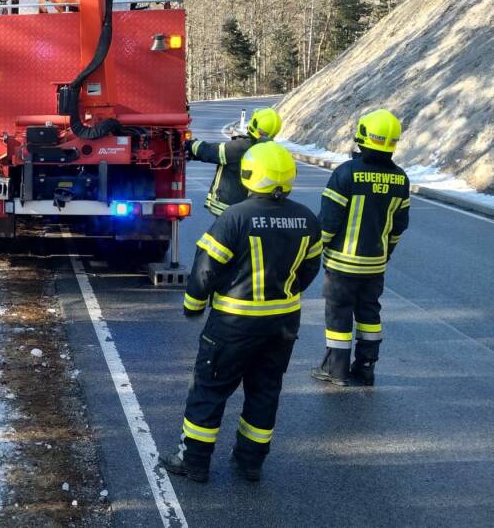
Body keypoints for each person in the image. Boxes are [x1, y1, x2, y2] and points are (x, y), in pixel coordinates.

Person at [160, 142, 322, 483]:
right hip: (282, 324)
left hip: (233, 324)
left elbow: (205, 269)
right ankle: (250, 463)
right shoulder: (307, 219)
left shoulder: (235, 216)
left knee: (209, 389)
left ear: (250, 175)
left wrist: (193, 304)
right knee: (264, 391)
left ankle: (194, 461)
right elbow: (309, 270)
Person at [311, 109, 410, 387]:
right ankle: (366, 369)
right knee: (369, 315)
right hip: (375, 264)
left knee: (339, 314)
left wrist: (315, 250)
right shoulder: (401, 179)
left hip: (342, 264)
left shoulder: (346, 173)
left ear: (362, 137)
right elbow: (398, 227)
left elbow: (328, 223)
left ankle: (337, 371)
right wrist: (384, 254)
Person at [188, 107, 283, 217]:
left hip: (229, 208)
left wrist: (189, 145)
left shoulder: (242, 147)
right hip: (253, 208)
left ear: (255, 124)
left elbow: (212, 152)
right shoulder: (271, 151)